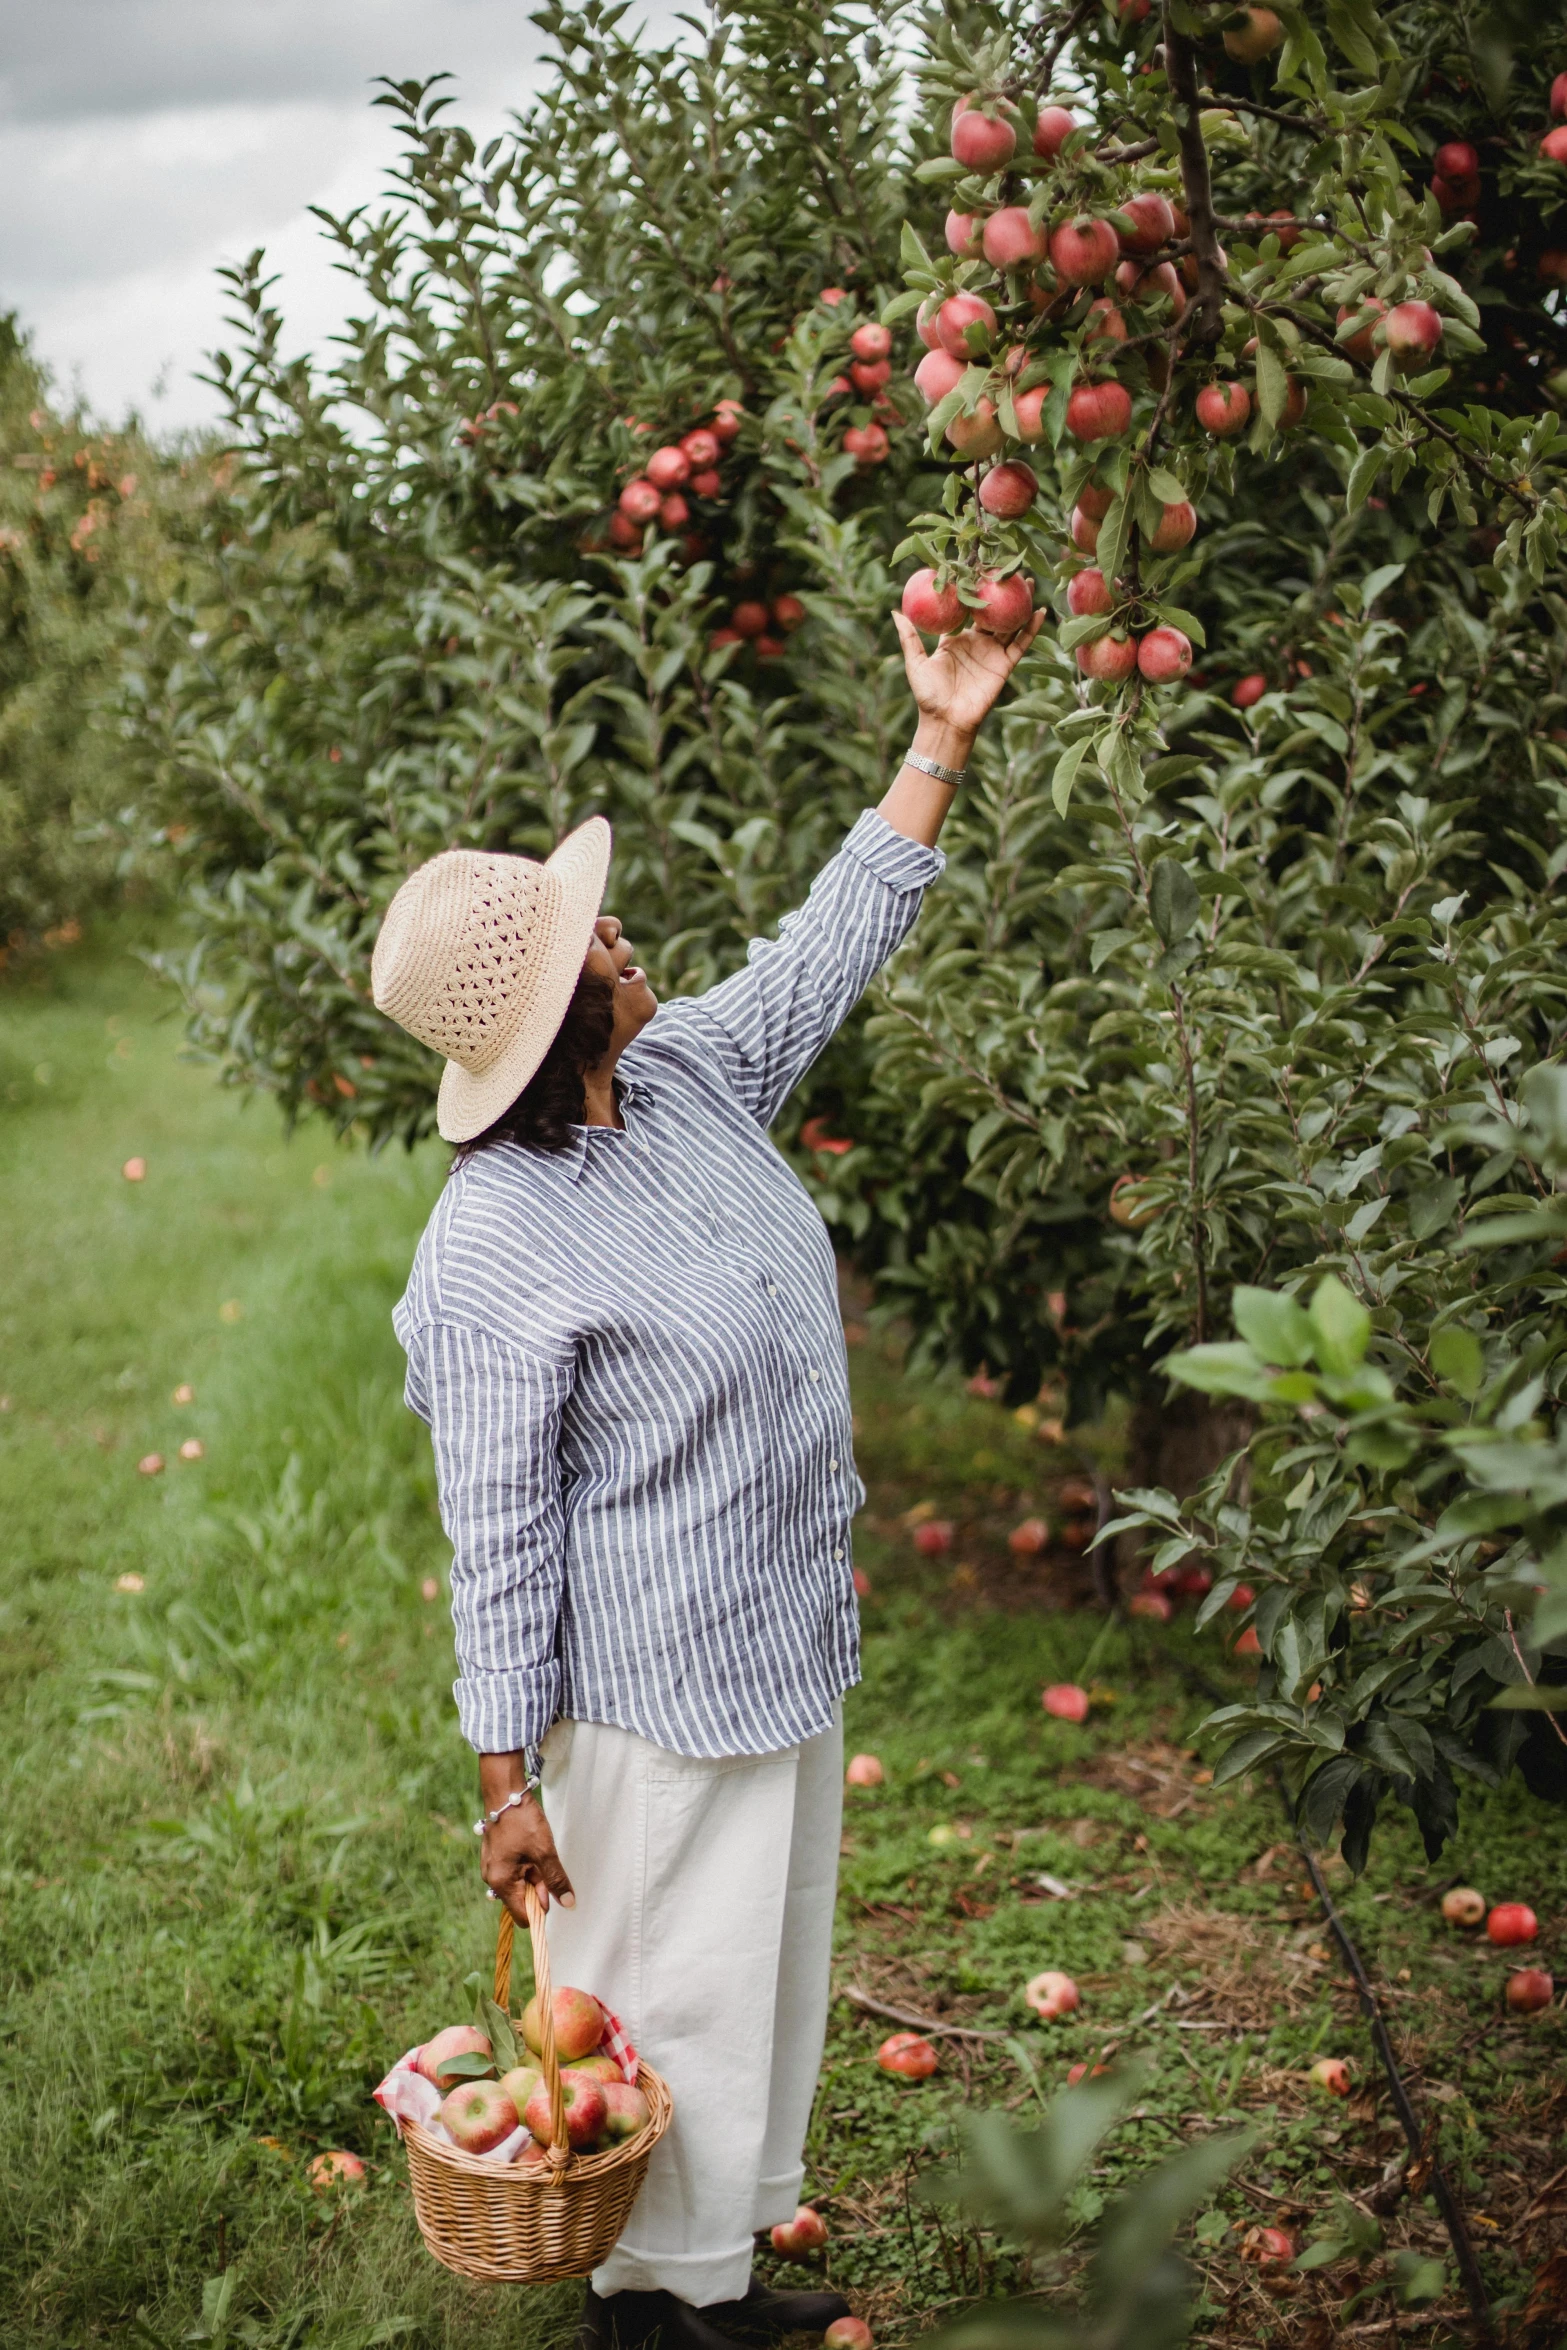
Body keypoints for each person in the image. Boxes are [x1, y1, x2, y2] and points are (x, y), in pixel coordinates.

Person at [370, 605, 1043, 2350]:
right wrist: (503, 1778)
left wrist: (940, 733)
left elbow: (823, 948)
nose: (618, 924)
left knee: (745, 1989)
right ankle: (643, 2316)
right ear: (547, 1014)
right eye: (587, 933)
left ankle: (697, 2283)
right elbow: (499, 1532)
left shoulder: (676, 1075)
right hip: (656, 1697)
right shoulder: (498, 1245)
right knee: (658, 1994)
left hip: (775, 1638)